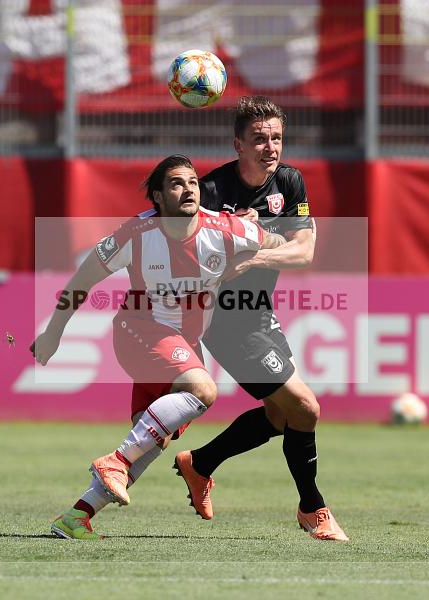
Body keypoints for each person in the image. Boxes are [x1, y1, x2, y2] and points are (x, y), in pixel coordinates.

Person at [31, 154, 286, 539]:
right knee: (203, 390)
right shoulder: (135, 234)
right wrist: (54, 333)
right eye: (176, 184)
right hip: (140, 331)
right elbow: (82, 281)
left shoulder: (225, 228)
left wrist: (259, 242)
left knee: (151, 439)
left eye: (193, 182)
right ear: (158, 196)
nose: (188, 190)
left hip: (183, 343)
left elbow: (280, 241)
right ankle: (114, 461)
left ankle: (76, 516)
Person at [172, 96, 349, 541]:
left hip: (258, 312)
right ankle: (313, 508)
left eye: (276, 138)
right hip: (222, 320)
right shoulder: (210, 193)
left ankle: (201, 463)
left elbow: (304, 251)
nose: (270, 147)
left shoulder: (288, 182)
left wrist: (254, 247)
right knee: (306, 407)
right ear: (238, 144)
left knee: (278, 415)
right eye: (259, 139)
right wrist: (233, 237)